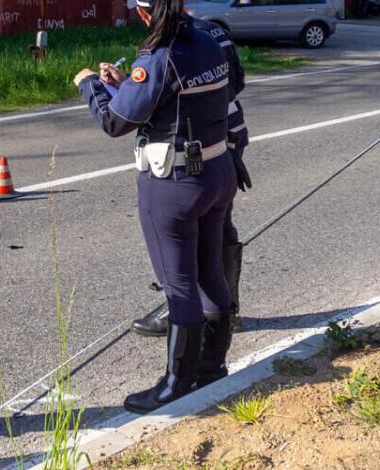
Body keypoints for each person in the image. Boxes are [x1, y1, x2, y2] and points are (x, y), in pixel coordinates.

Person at [73, 0, 237, 413]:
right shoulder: (208, 41)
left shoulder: (158, 55)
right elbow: (178, 98)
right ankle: (212, 367)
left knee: (179, 285)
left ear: (144, 13)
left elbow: (115, 122)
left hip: (174, 184)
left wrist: (91, 84)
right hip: (218, 170)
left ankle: (175, 383)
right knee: (210, 273)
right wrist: (127, 82)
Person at [128, 13, 251, 337]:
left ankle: (188, 310)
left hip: (200, 138)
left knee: (195, 230)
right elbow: (237, 82)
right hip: (227, 129)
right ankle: (224, 310)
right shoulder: (213, 32)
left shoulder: (177, 39)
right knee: (216, 223)